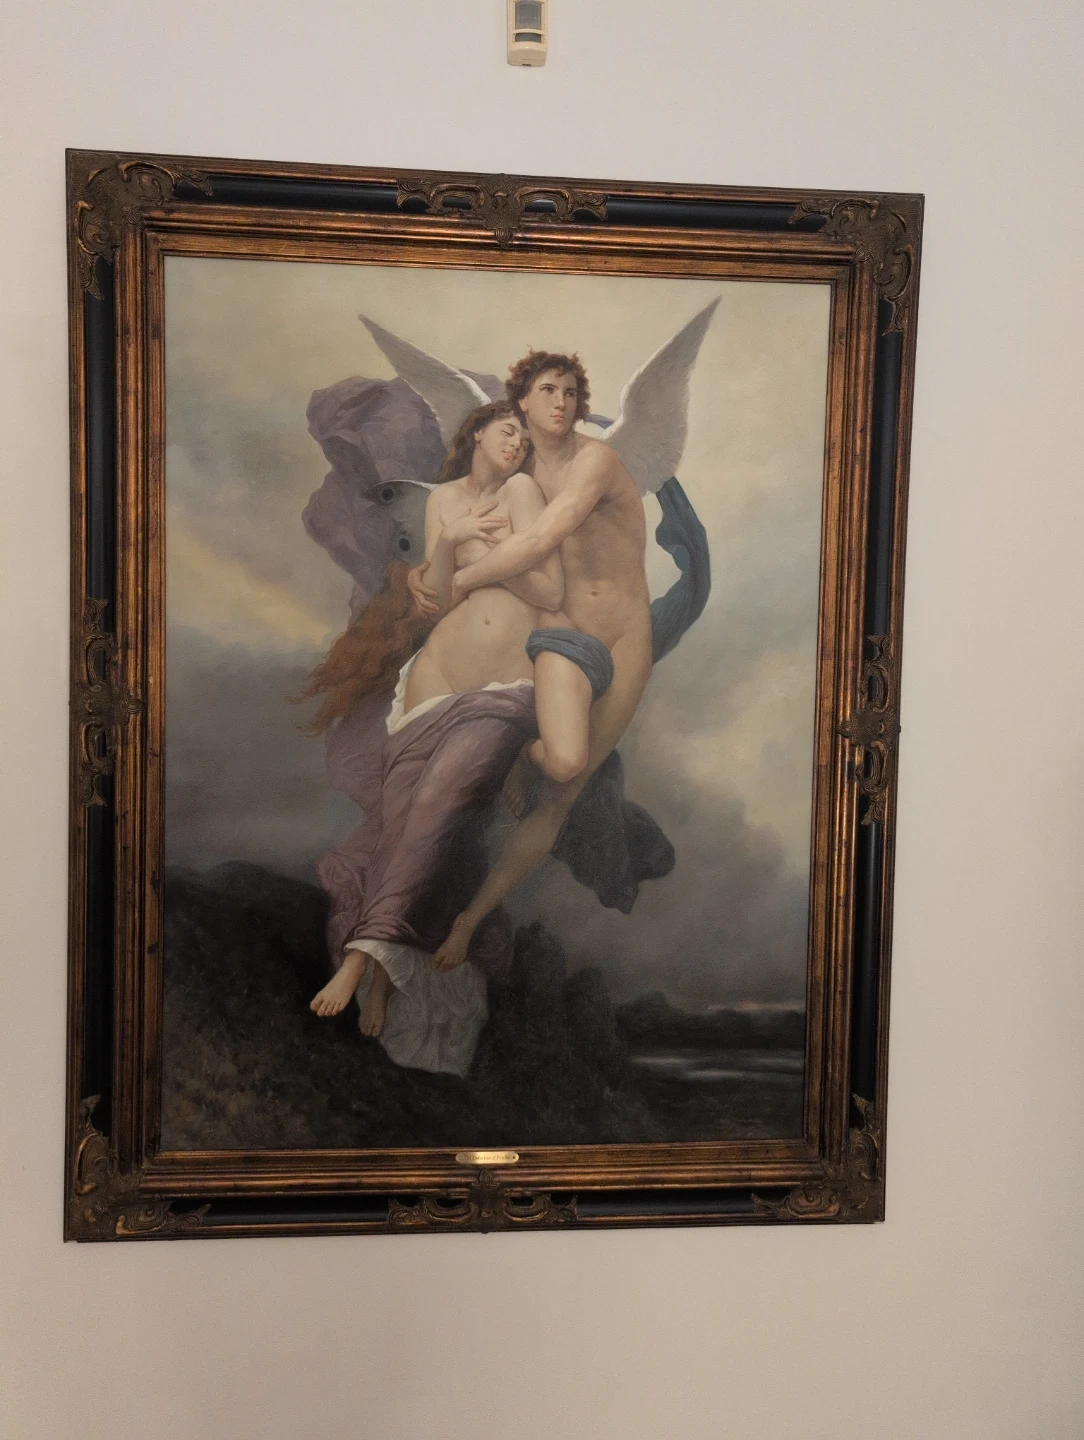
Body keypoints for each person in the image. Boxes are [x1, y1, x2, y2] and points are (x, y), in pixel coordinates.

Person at [306, 400, 572, 1046]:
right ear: (477, 431)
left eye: (524, 437)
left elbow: (549, 590)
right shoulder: (444, 501)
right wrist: (450, 542)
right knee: (402, 822)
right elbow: (439, 603)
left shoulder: (522, 492)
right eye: (507, 430)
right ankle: (381, 980)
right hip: (433, 680)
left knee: (435, 811)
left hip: (502, 685)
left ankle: (360, 957)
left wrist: (481, 562)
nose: (517, 443)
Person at [410, 351, 656, 973]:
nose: (561, 403)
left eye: (571, 393)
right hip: (561, 630)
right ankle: (525, 751)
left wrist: (457, 580)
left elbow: (542, 539)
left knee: (561, 797)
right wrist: (427, 571)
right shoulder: (512, 467)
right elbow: (461, 518)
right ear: (522, 400)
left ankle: (469, 921)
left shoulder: (595, 460)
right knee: (564, 763)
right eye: (548, 390)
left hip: (625, 636)